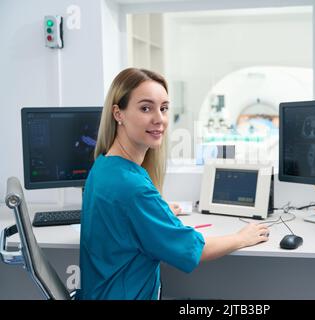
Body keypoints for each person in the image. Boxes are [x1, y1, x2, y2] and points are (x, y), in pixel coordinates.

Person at [79, 68, 269, 300]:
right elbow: (194, 250)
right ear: (118, 113)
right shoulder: (132, 187)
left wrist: (157, 213)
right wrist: (243, 237)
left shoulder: (103, 166)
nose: (159, 119)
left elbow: (120, 222)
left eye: (164, 108)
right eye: (145, 108)